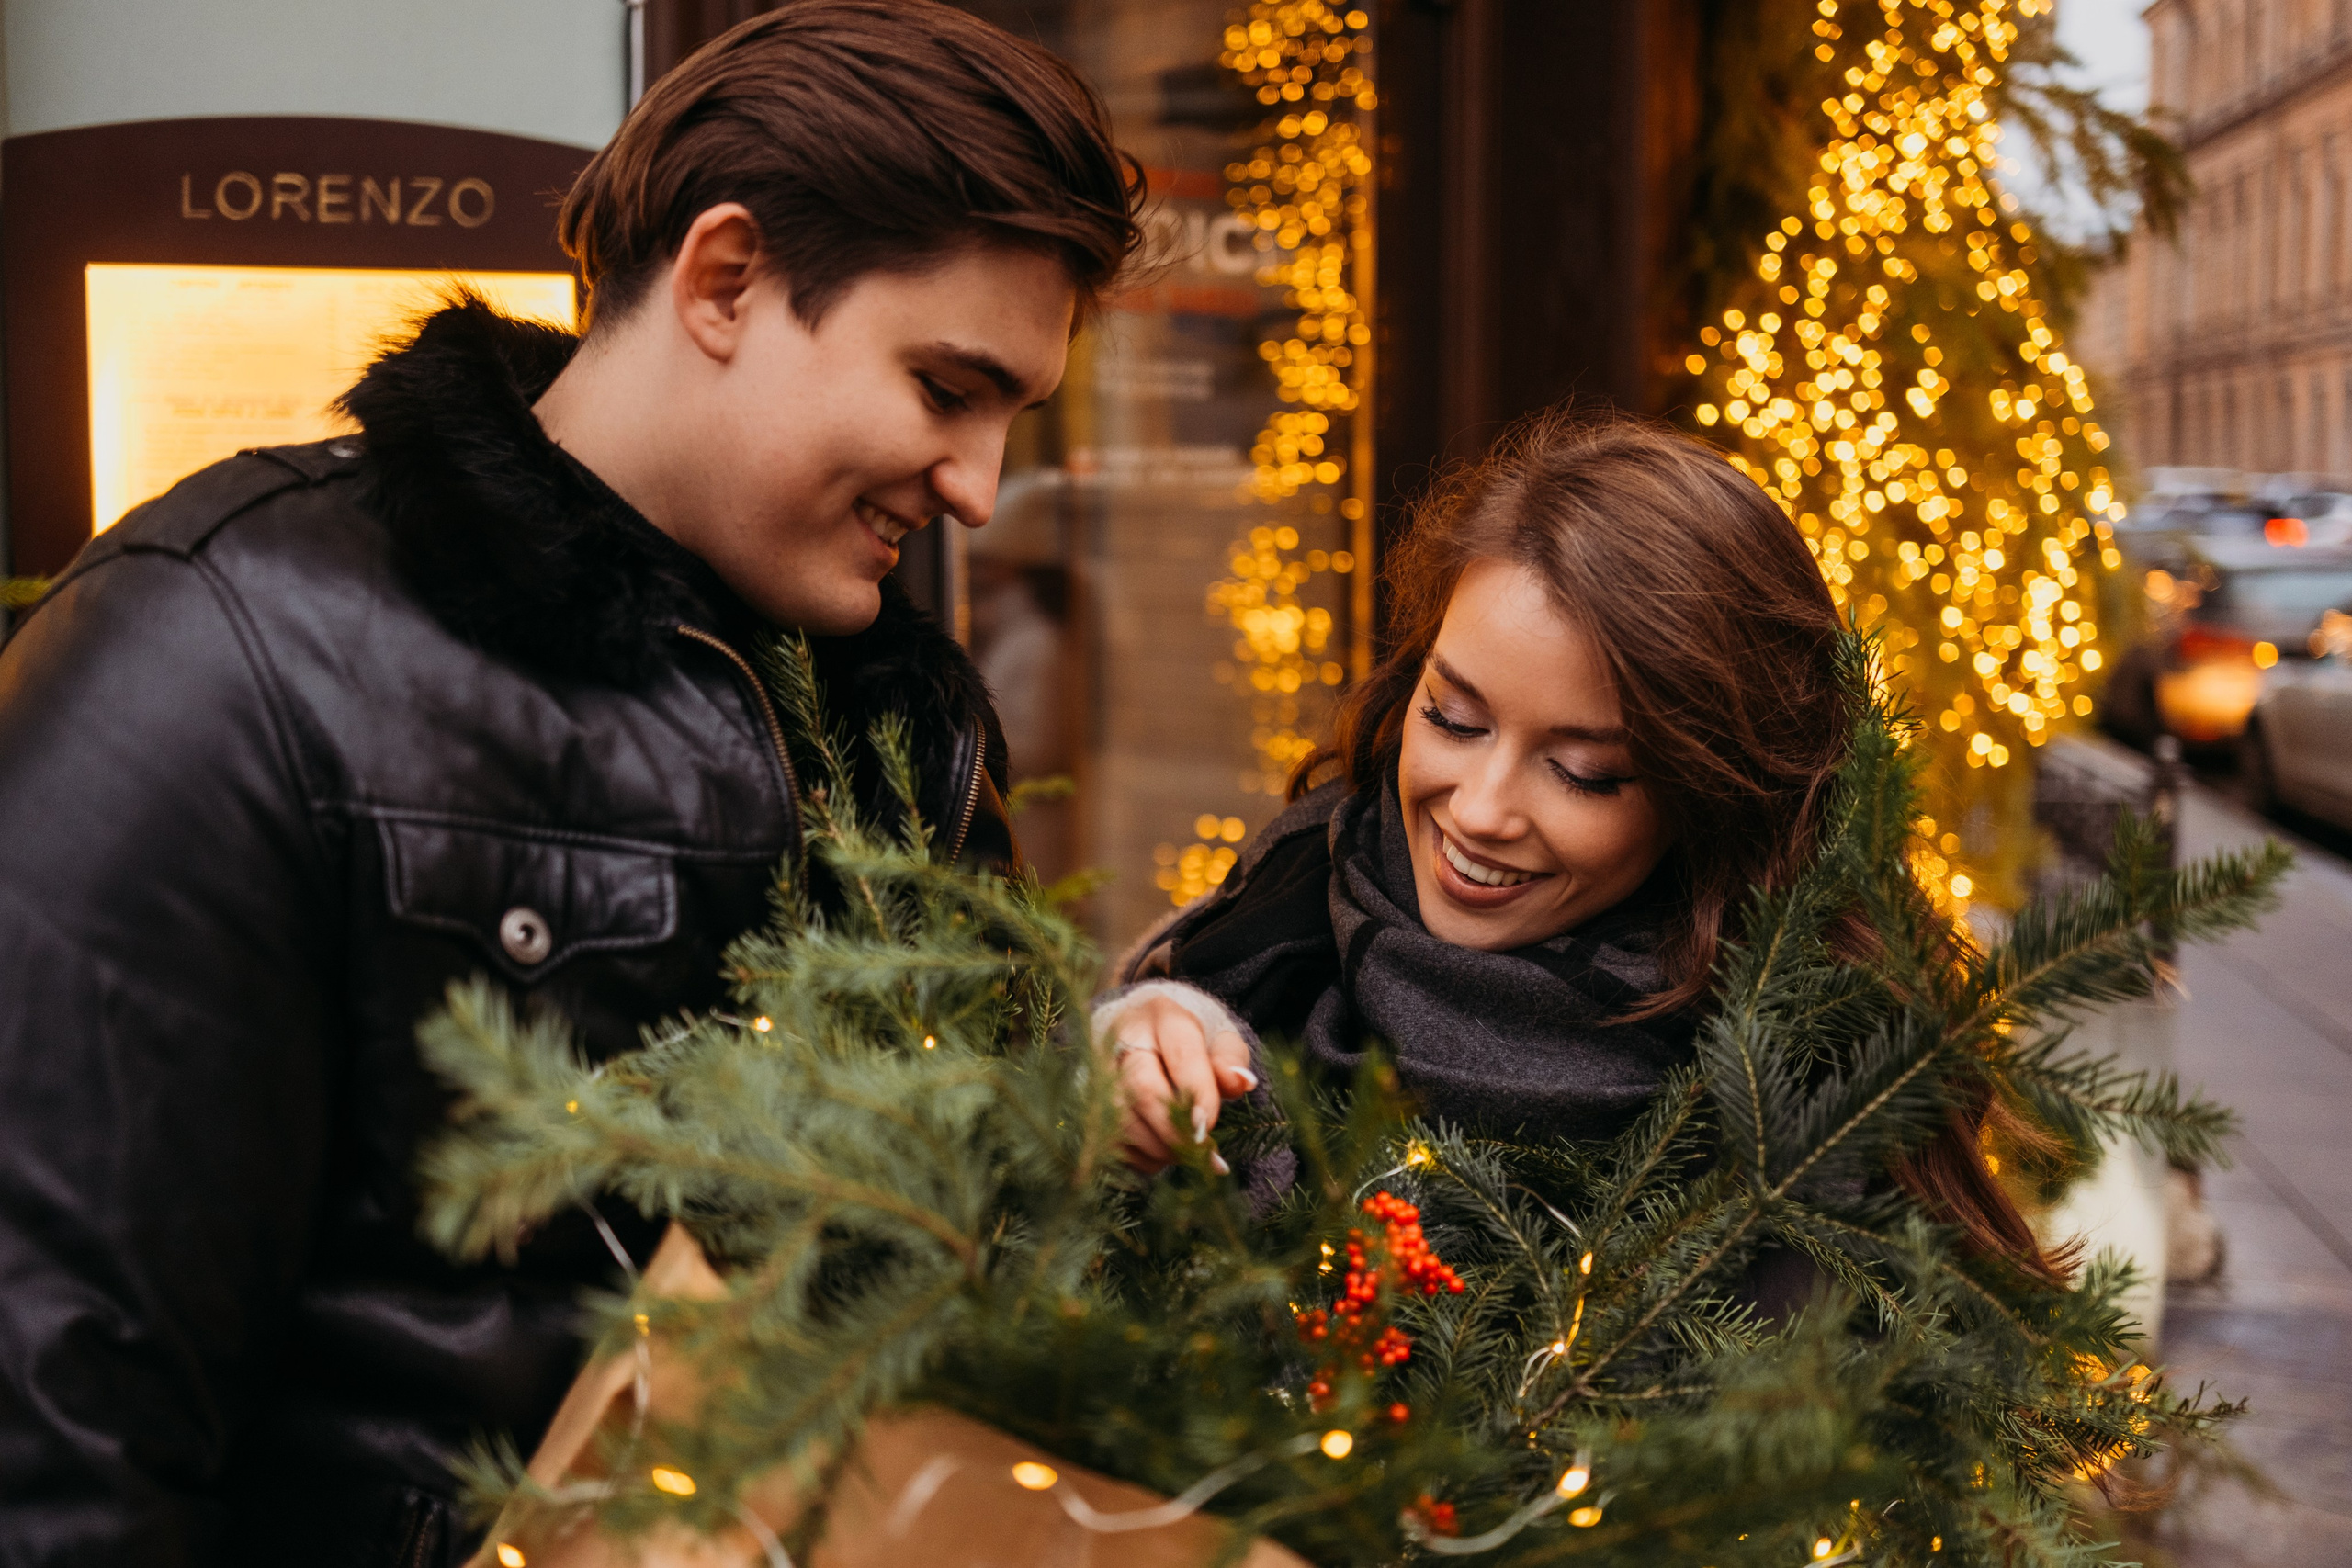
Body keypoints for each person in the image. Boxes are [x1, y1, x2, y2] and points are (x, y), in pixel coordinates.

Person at [0, 5, 1141, 1563]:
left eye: (1012, 416)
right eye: (947, 388)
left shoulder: (898, 721)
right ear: (727, 279)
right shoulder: (228, 644)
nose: (978, 486)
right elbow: (51, 1418)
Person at [1098, 414, 2063, 1288]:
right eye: (1453, 717)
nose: (1477, 812)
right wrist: (1139, 1039)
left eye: (1584, 774)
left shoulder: (1794, 1150)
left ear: (1713, 797)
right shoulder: (1291, 897)